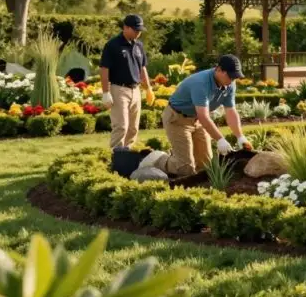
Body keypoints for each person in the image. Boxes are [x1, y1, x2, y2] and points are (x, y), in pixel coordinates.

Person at [146, 55, 249, 176]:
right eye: (230, 76)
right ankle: (158, 159)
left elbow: (231, 111)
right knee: (185, 169)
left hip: (197, 121)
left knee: (206, 167)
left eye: (235, 76)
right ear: (219, 70)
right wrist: (220, 140)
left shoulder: (230, 84)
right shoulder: (201, 83)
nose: (232, 80)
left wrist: (240, 137)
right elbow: (203, 116)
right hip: (177, 119)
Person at [99, 14, 154, 150]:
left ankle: (128, 156)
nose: (138, 33)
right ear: (125, 28)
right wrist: (106, 92)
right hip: (119, 90)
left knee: (133, 128)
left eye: (140, 30)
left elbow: (142, 68)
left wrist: (148, 88)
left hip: (136, 90)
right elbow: (104, 69)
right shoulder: (112, 45)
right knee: (121, 126)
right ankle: (115, 157)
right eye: (135, 30)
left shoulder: (139, 45)